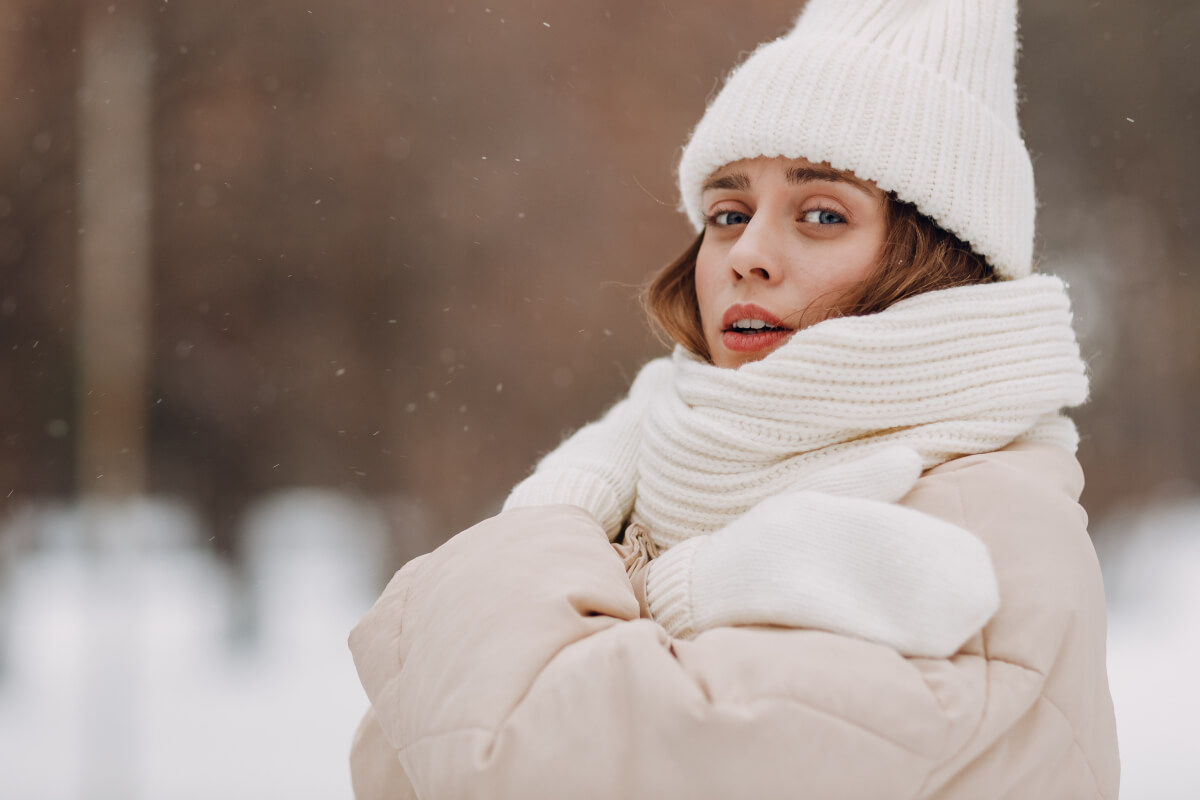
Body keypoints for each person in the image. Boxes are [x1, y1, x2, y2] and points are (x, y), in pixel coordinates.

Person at [349, 2, 1120, 798]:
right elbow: (394, 761)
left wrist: (554, 529)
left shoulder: (978, 526)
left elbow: (518, 763)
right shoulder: (667, 481)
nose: (747, 254)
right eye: (727, 213)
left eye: (822, 213)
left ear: (940, 262)